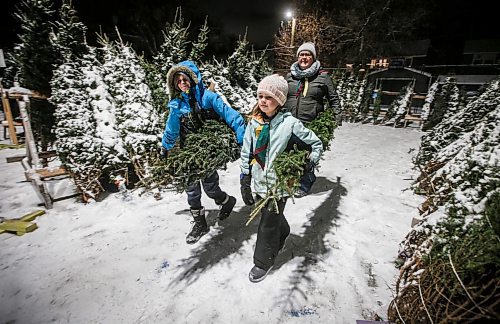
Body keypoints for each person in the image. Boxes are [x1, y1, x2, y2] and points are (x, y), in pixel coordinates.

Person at [240, 74, 323, 282]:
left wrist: (309, 161)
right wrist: (244, 176)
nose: (263, 101)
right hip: (259, 181)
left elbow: (316, 144)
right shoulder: (254, 123)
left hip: (279, 184)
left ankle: (263, 261)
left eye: (269, 97)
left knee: (267, 224)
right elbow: (246, 150)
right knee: (271, 218)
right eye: (260, 96)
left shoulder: (290, 124)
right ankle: (284, 230)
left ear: (280, 100)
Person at [161, 60, 246, 244]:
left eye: (185, 79)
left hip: (206, 151)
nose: (182, 83)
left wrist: (241, 139)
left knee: (210, 186)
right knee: (191, 189)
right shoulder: (177, 105)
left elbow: (231, 115)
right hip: (188, 152)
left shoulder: (208, 98)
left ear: (193, 79)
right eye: (178, 80)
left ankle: (225, 201)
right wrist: (165, 147)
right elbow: (172, 129)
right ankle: (200, 223)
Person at [283, 42, 341, 197]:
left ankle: (306, 182)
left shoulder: (323, 77)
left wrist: (337, 115)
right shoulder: (290, 76)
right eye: (301, 54)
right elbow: (281, 96)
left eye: (307, 54)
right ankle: (290, 180)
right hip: (289, 122)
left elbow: (333, 98)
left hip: (311, 123)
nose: (304, 57)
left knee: (307, 155)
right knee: (289, 152)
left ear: (313, 57)